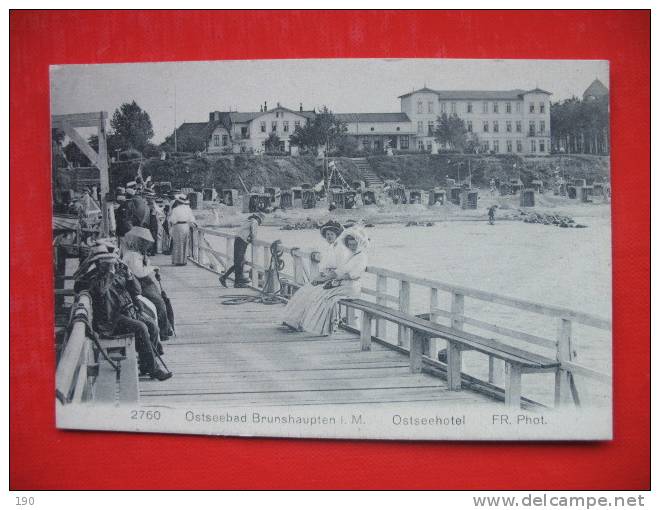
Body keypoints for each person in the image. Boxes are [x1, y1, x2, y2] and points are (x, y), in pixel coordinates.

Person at [88, 251, 171, 380]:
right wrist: (110, 273)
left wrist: (130, 277)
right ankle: (153, 369)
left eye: (112, 262)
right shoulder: (95, 277)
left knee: (152, 325)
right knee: (141, 327)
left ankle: (146, 365)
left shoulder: (116, 274)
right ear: (101, 263)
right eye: (109, 262)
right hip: (110, 321)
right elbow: (100, 290)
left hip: (125, 313)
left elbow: (137, 291)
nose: (113, 264)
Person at [291, 226, 369, 336]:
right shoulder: (352, 255)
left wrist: (334, 280)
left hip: (351, 287)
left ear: (359, 244)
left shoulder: (361, 257)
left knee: (324, 296)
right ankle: (320, 326)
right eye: (350, 245)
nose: (352, 247)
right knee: (321, 294)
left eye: (354, 244)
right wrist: (331, 279)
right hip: (343, 283)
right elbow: (340, 271)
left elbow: (352, 275)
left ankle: (325, 328)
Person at [282, 220, 347, 331]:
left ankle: (304, 322)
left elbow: (341, 269)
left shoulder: (341, 248)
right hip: (327, 277)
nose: (329, 237)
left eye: (332, 234)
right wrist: (320, 277)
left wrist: (324, 278)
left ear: (337, 235)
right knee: (304, 291)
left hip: (336, 280)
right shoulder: (330, 247)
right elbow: (325, 265)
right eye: (327, 235)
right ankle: (294, 320)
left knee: (313, 294)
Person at [122, 226, 174, 341]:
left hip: (143, 283)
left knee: (160, 301)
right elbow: (139, 273)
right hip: (140, 284)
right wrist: (152, 267)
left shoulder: (134, 254)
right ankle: (164, 331)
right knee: (159, 303)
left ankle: (166, 327)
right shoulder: (133, 256)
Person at [219, 212, 264, 288]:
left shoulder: (247, 220)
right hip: (242, 242)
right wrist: (254, 240)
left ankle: (233, 279)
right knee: (239, 262)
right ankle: (234, 281)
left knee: (239, 261)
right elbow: (254, 233)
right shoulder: (254, 221)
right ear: (258, 219)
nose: (259, 223)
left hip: (238, 240)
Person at [168, 194, 197, 266]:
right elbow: (192, 218)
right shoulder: (188, 209)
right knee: (185, 243)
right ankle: (184, 260)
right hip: (186, 226)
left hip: (178, 226)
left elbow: (172, 220)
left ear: (178, 202)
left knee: (177, 243)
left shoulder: (175, 209)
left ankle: (178, 260)